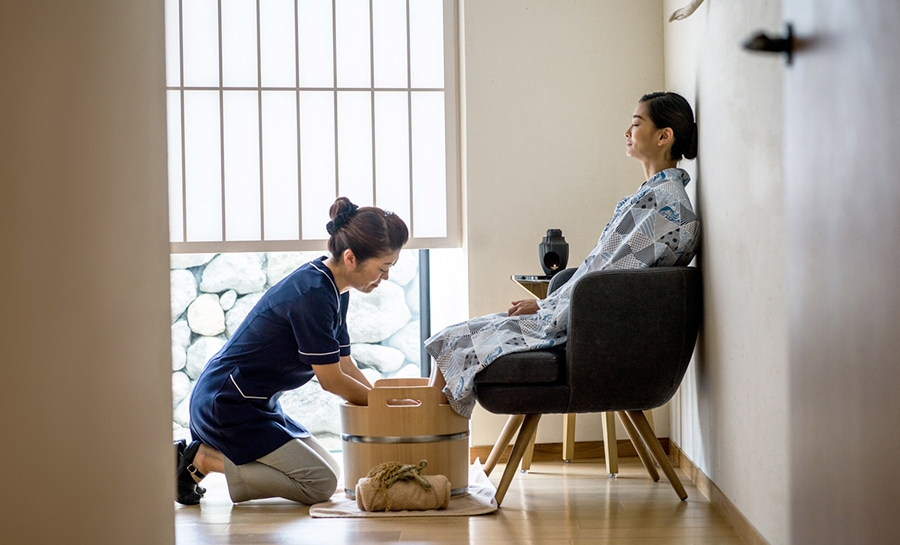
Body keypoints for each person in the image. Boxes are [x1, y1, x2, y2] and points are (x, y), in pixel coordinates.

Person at [426, 91, 701, 418]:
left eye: (636, 123)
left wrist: (545, 307)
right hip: (585, 318)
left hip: (589, 331)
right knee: (453, 339)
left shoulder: (665, 209)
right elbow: (604, 272)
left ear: (664, 136)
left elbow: (608, 281)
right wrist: (545, 304)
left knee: (455, 339)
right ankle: (433, 450)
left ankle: (432, 452)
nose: (627, 132)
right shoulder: (654, 200)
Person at [175, 198, 409, 506]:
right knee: (320, 484)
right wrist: (387, 406)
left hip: (255, 405)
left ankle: (208, 458)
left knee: (330, 470)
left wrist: (383, 403)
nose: (386, 277)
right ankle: (203, 460)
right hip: (228, 406)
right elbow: (332, 380)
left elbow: (345, 365)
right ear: (351, 258)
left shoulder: (335, 290)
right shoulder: (313, 294)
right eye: (383, 268)